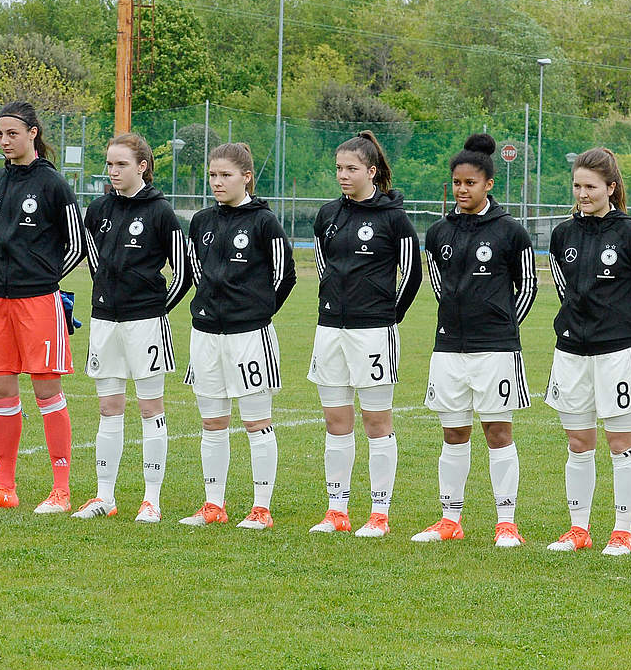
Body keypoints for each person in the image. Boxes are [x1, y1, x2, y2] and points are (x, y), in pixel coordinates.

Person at [414, 134, 537, 547]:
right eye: (457, 183)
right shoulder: (437, 233)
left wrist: (500, 327)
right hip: (449, 348)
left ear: (488, 185)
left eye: (470, 183)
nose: (462, 189)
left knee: (497, 432)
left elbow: (528, 286)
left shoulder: (510, 232)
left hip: (496, 348)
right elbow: (437, 283)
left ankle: (507, 522)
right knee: (453, 433)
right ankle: (450, 519)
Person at [0, 102, 86, 513]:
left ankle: (61, 489)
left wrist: (43, 279)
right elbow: (0, 238)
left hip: (38, 301)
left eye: (12, 133)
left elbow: (78, 245)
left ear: (33, 133)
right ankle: (4, 486)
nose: (4, 141)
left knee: (46, 390)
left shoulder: (53, 184)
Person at [544, 148, 631, 555]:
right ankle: (579, 529)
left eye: (591, 187)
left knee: (620, 443)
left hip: (617, 352)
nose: (582, 193)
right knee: (578, 441)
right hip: (571, 351)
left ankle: (622, 531)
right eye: (577, 186)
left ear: (611, 188)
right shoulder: (563, 234)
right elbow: (564, 287)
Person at [308, 131, 421, 538]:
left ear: (371, 172)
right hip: (330, 329)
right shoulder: (327, 215)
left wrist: (388, 316)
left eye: (351, 168)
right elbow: (323, 266)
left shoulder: (394, 219)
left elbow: (411, 275)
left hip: (373, 331)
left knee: (376, 422)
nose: (343, 175)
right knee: (336, 421)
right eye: (339, 168)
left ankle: (379, 513)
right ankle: (337, 510)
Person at [179, 143, 296, 529]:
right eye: (213, 175)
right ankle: (214, 504)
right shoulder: (201, 221)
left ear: (246, 177)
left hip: (250, 336)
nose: (217, 182)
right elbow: (196, 269)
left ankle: (261, 508)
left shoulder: (265, 223)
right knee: (212, 422)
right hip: (206, 334)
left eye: (225, 175)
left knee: (256, 422)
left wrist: (255, 313)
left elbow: (284, 276)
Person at [75, 133, 190, 523]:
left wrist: (154, 311)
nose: (113, 171)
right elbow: (92, 260)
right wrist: (107, 296)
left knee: (149, 408)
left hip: (145, 324)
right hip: (104, 321)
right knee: (108, 408)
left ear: (142, 166)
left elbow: (183, 272)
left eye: (121, 164)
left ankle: (151, 499)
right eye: (109, 164)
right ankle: (104, 496)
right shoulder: (98, 209)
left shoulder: (161, 213)